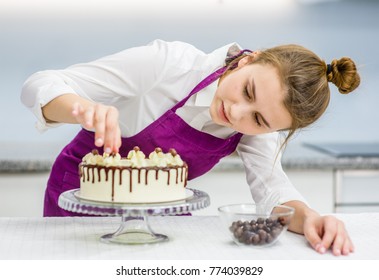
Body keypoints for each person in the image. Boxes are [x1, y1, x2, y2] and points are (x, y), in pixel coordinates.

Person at [21, 39, 360, 256]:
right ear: (247, 60)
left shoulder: (260, 125)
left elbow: (273, 191)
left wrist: (311, 218)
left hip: (158, 221)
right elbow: (40, 84)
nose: (238, 113)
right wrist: (82, 108)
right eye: (247, 91)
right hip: (79, 203)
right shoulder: (169, 64)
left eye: (258, 121)